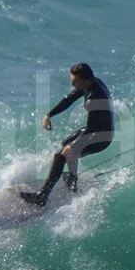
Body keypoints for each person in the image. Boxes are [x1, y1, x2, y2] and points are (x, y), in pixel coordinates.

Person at [22, 63, 115, 205]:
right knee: (65, 144)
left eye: (74, 81)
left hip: (101, 138)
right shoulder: (90, 83)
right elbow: (70, 98)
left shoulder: (94, 99)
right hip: (97, 129)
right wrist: (49, 115)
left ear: (84, 80)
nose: (71, 84)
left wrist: (74, 145)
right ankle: (72, 180)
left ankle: (42, 196)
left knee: (61, 155)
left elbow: (91, 130)